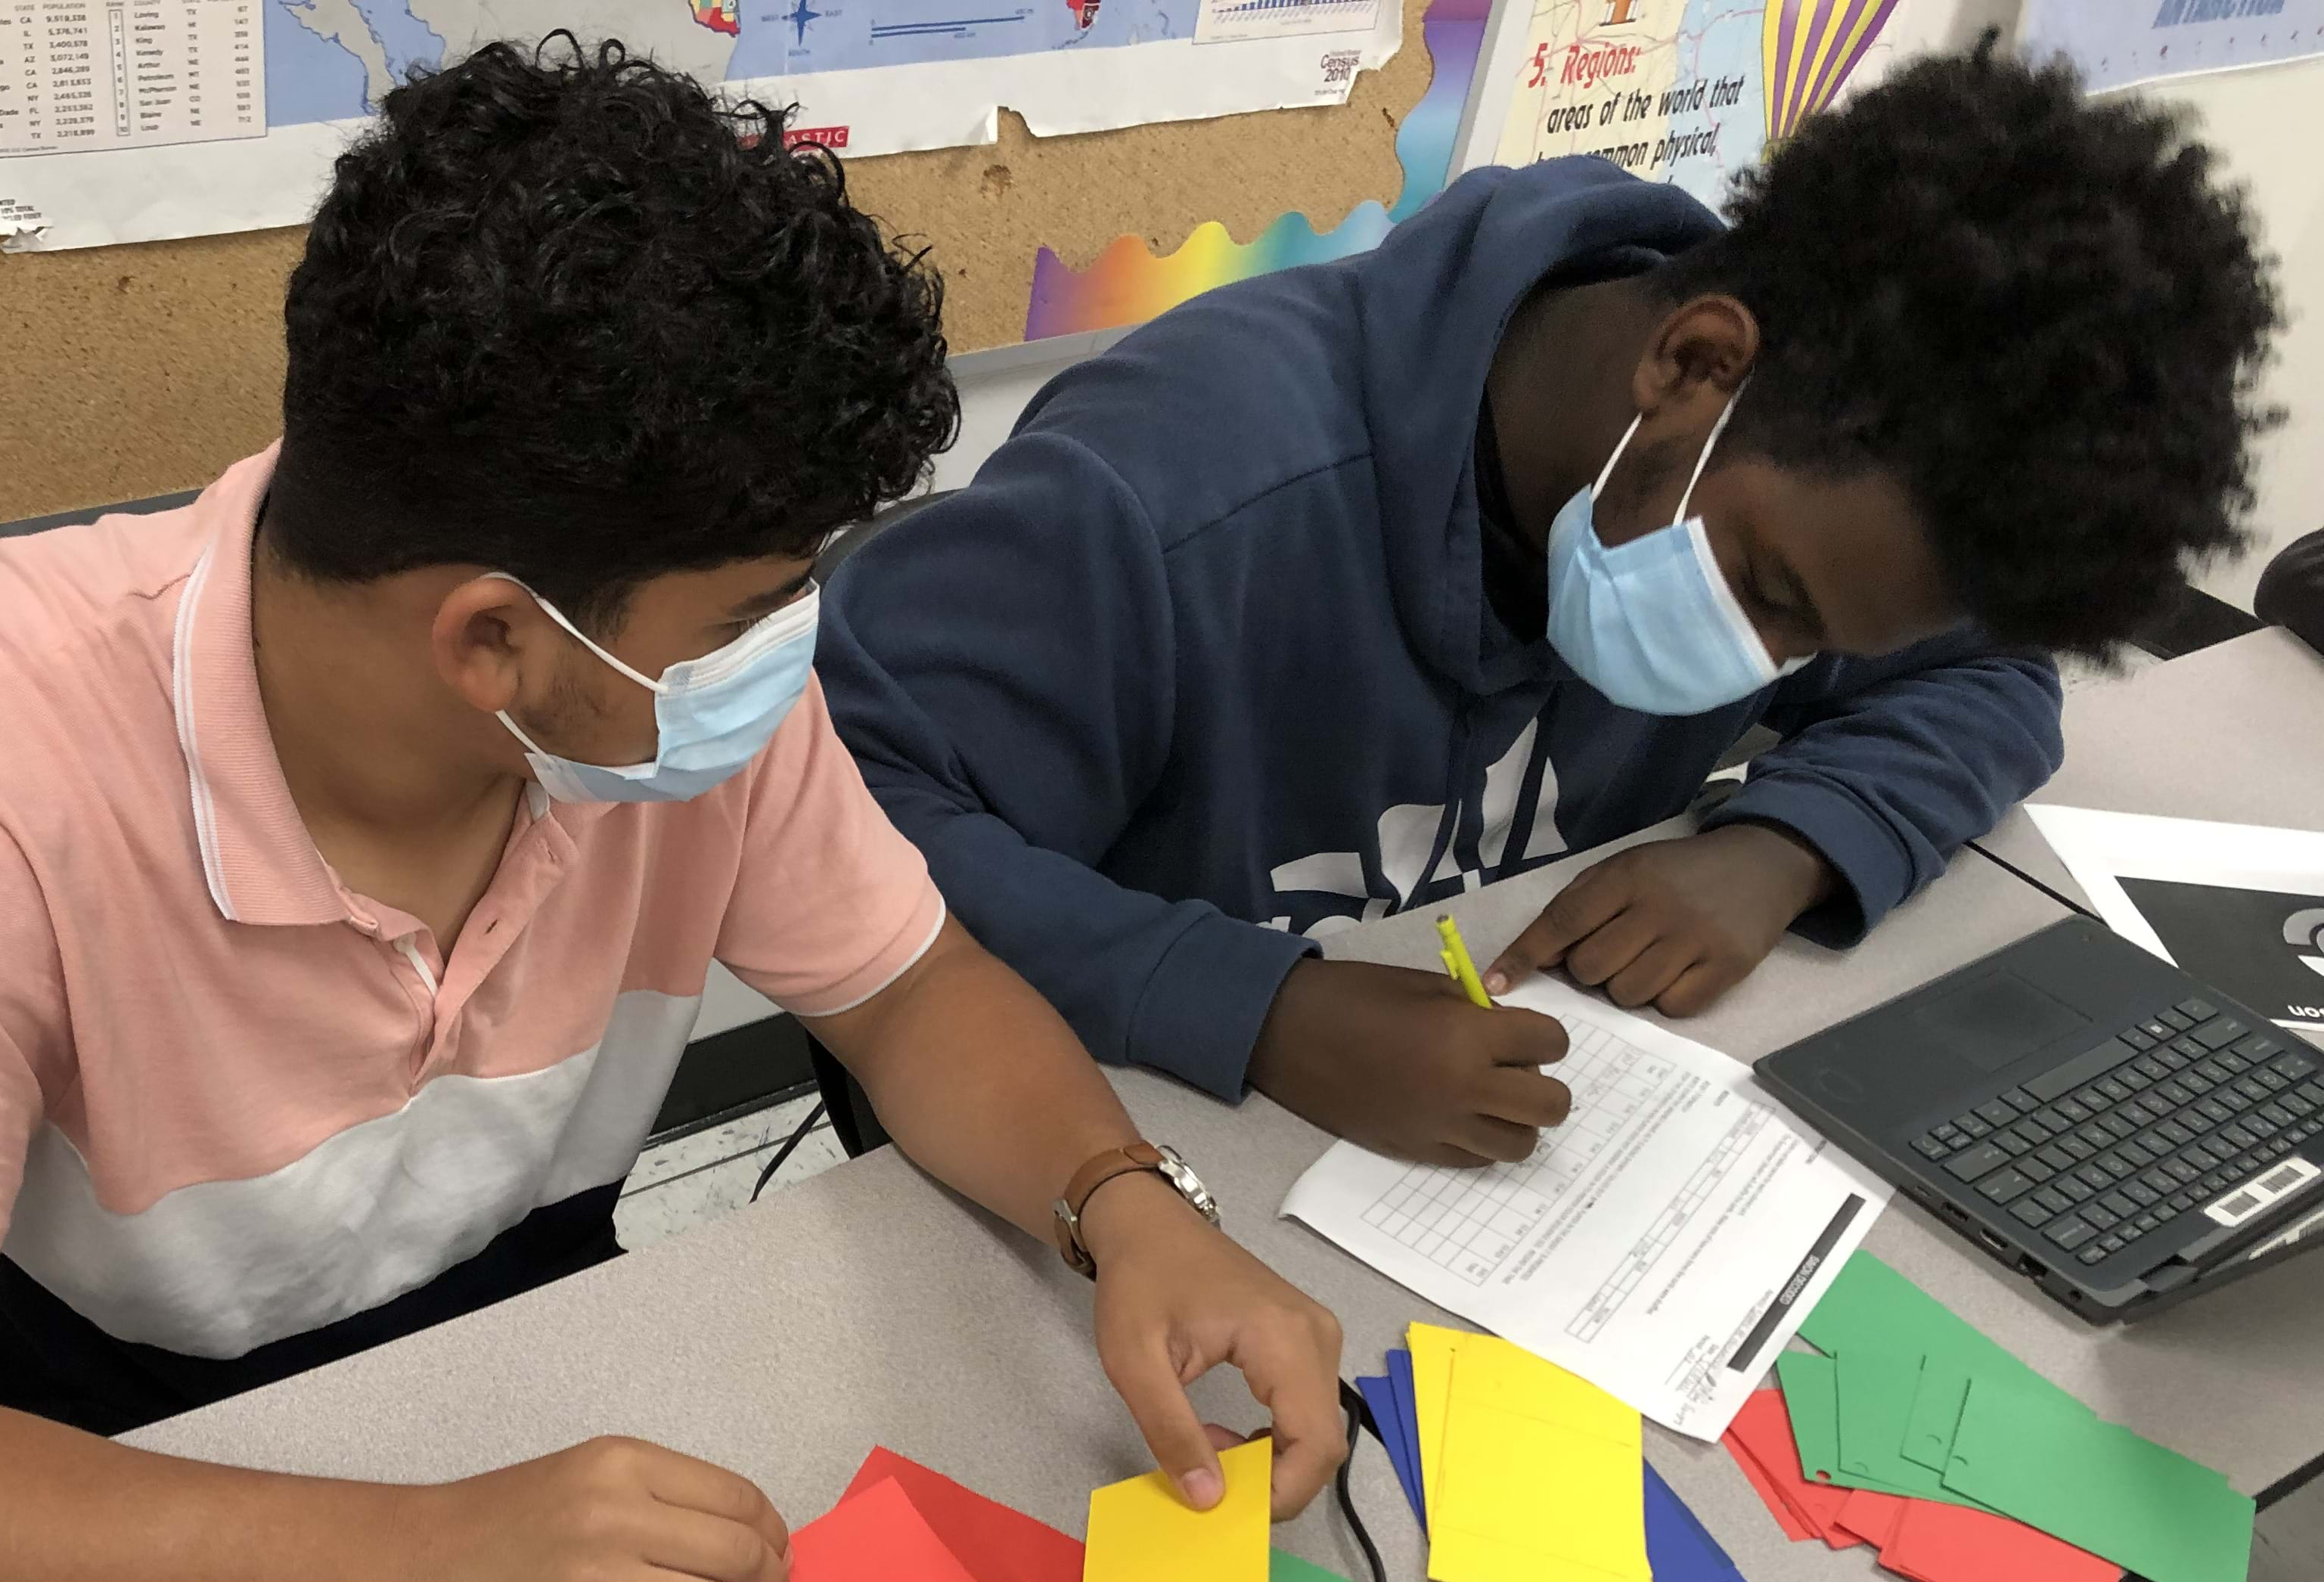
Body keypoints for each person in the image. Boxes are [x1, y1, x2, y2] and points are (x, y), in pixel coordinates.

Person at [0, 40, 1347, 1582]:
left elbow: (913, 993)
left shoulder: (642, 690)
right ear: (494, 644)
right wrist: (423, 1560)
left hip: (514, 1353)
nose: (790, 648)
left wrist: (1124, 1204)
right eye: (754, 612)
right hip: (115, 1443)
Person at [821, 48, 2279, 1168]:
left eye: (1820, 646)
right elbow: (842, 818)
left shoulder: (1844, 504)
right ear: (1696, 367)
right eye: (1770, 594)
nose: (1758, 666)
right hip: (1095, 1143)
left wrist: (1783, 847)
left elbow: (1990, 682)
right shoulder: (1180, 493)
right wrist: (1258, 1010)